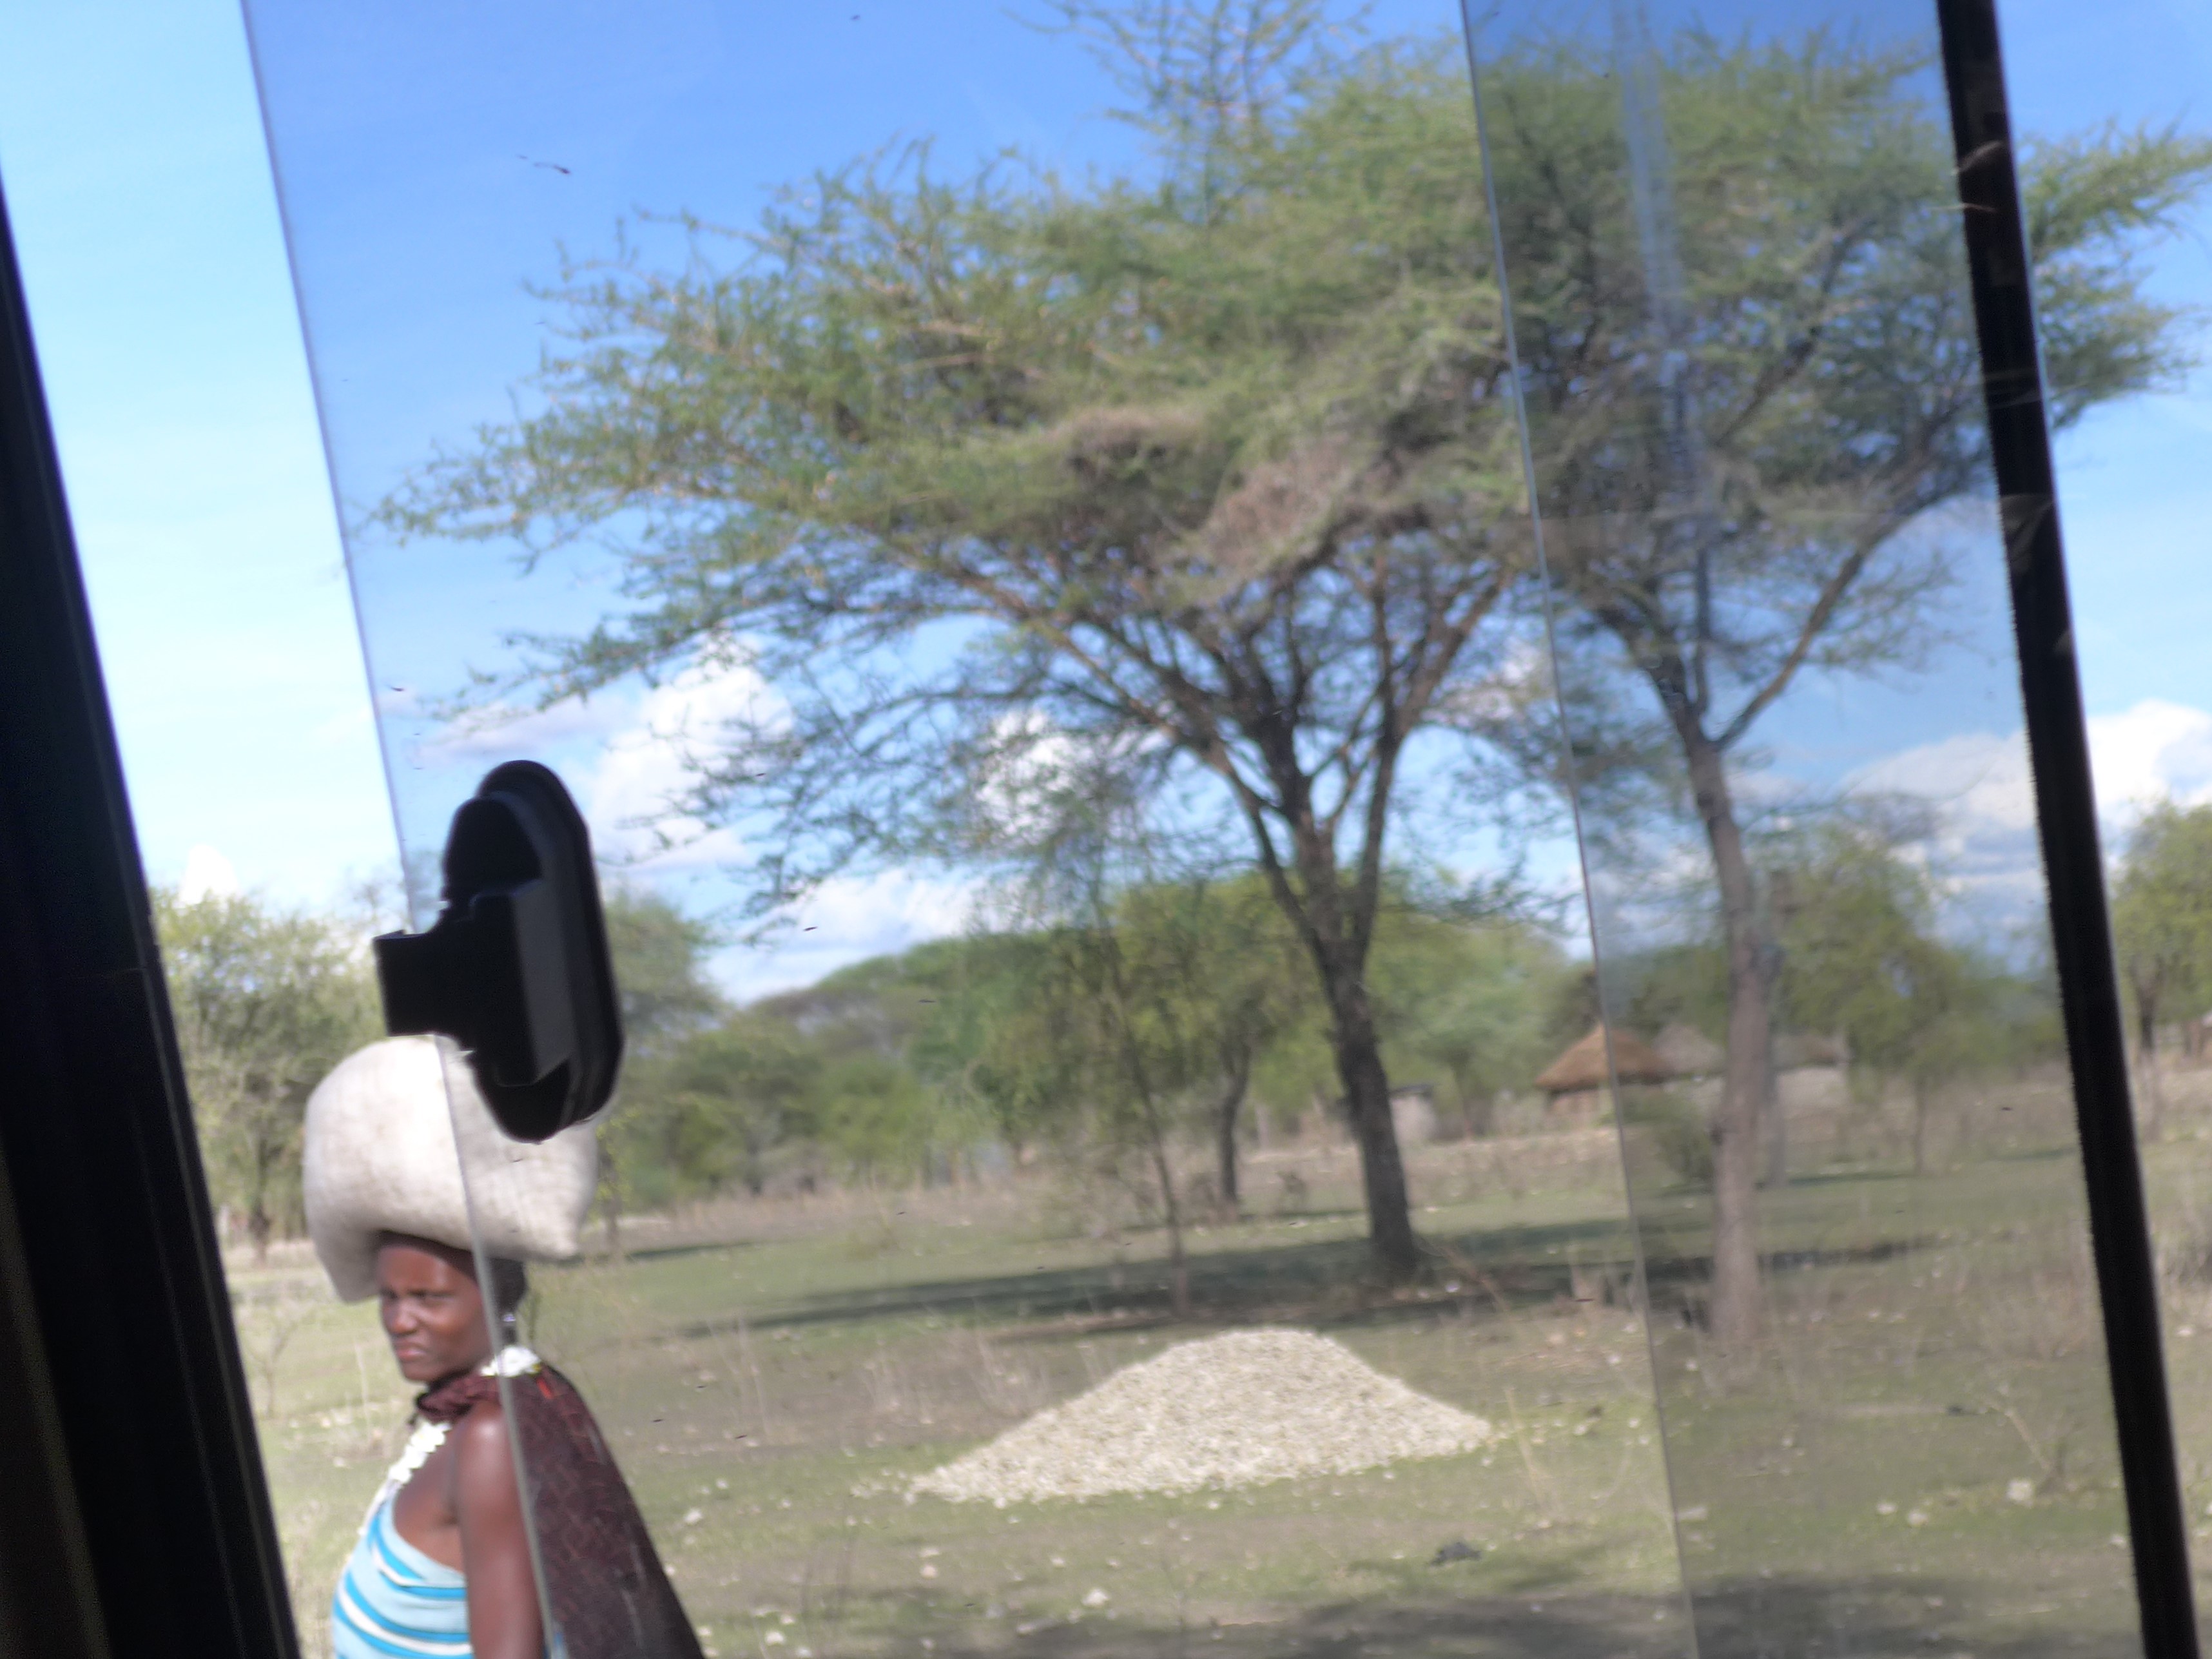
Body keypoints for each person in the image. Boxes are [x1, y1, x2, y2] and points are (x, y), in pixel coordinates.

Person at [304, 1036, 704, 1659]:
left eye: (430, 1298)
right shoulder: (481, 1411)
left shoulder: (492, 1435)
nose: (401, 1322)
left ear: (500, 1299)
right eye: (390, 1298)